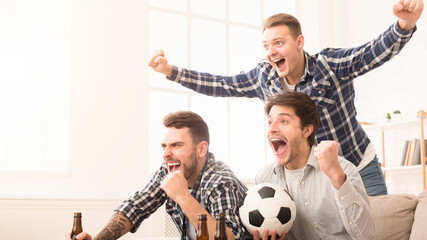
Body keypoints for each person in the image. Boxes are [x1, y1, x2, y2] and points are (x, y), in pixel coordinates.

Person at [147, 0, 424, 196]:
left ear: (299, 43)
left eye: (278, 43)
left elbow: (370, 53)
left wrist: (404, 25)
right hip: (311, 178)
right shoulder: (264, 77)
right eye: (266, 45)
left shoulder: (329, 65)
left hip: (357, 164)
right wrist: (171, 71)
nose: (271, 52)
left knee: (377, 227)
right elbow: (222, 84)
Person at [65, 111, 248, 240]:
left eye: (176, 145)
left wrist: (183, 197)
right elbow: (136, 207)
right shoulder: (169, 170)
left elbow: (231, 237)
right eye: (164, 146)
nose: (166, 154)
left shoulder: (221, 182)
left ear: (201, 149)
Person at [256, 91, 374, 239]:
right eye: (270, 122)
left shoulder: (343, 169)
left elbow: (367, 235)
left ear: (306, 130)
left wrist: (337, 177)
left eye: (284, 121)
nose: (272, 129)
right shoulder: (264, 179)